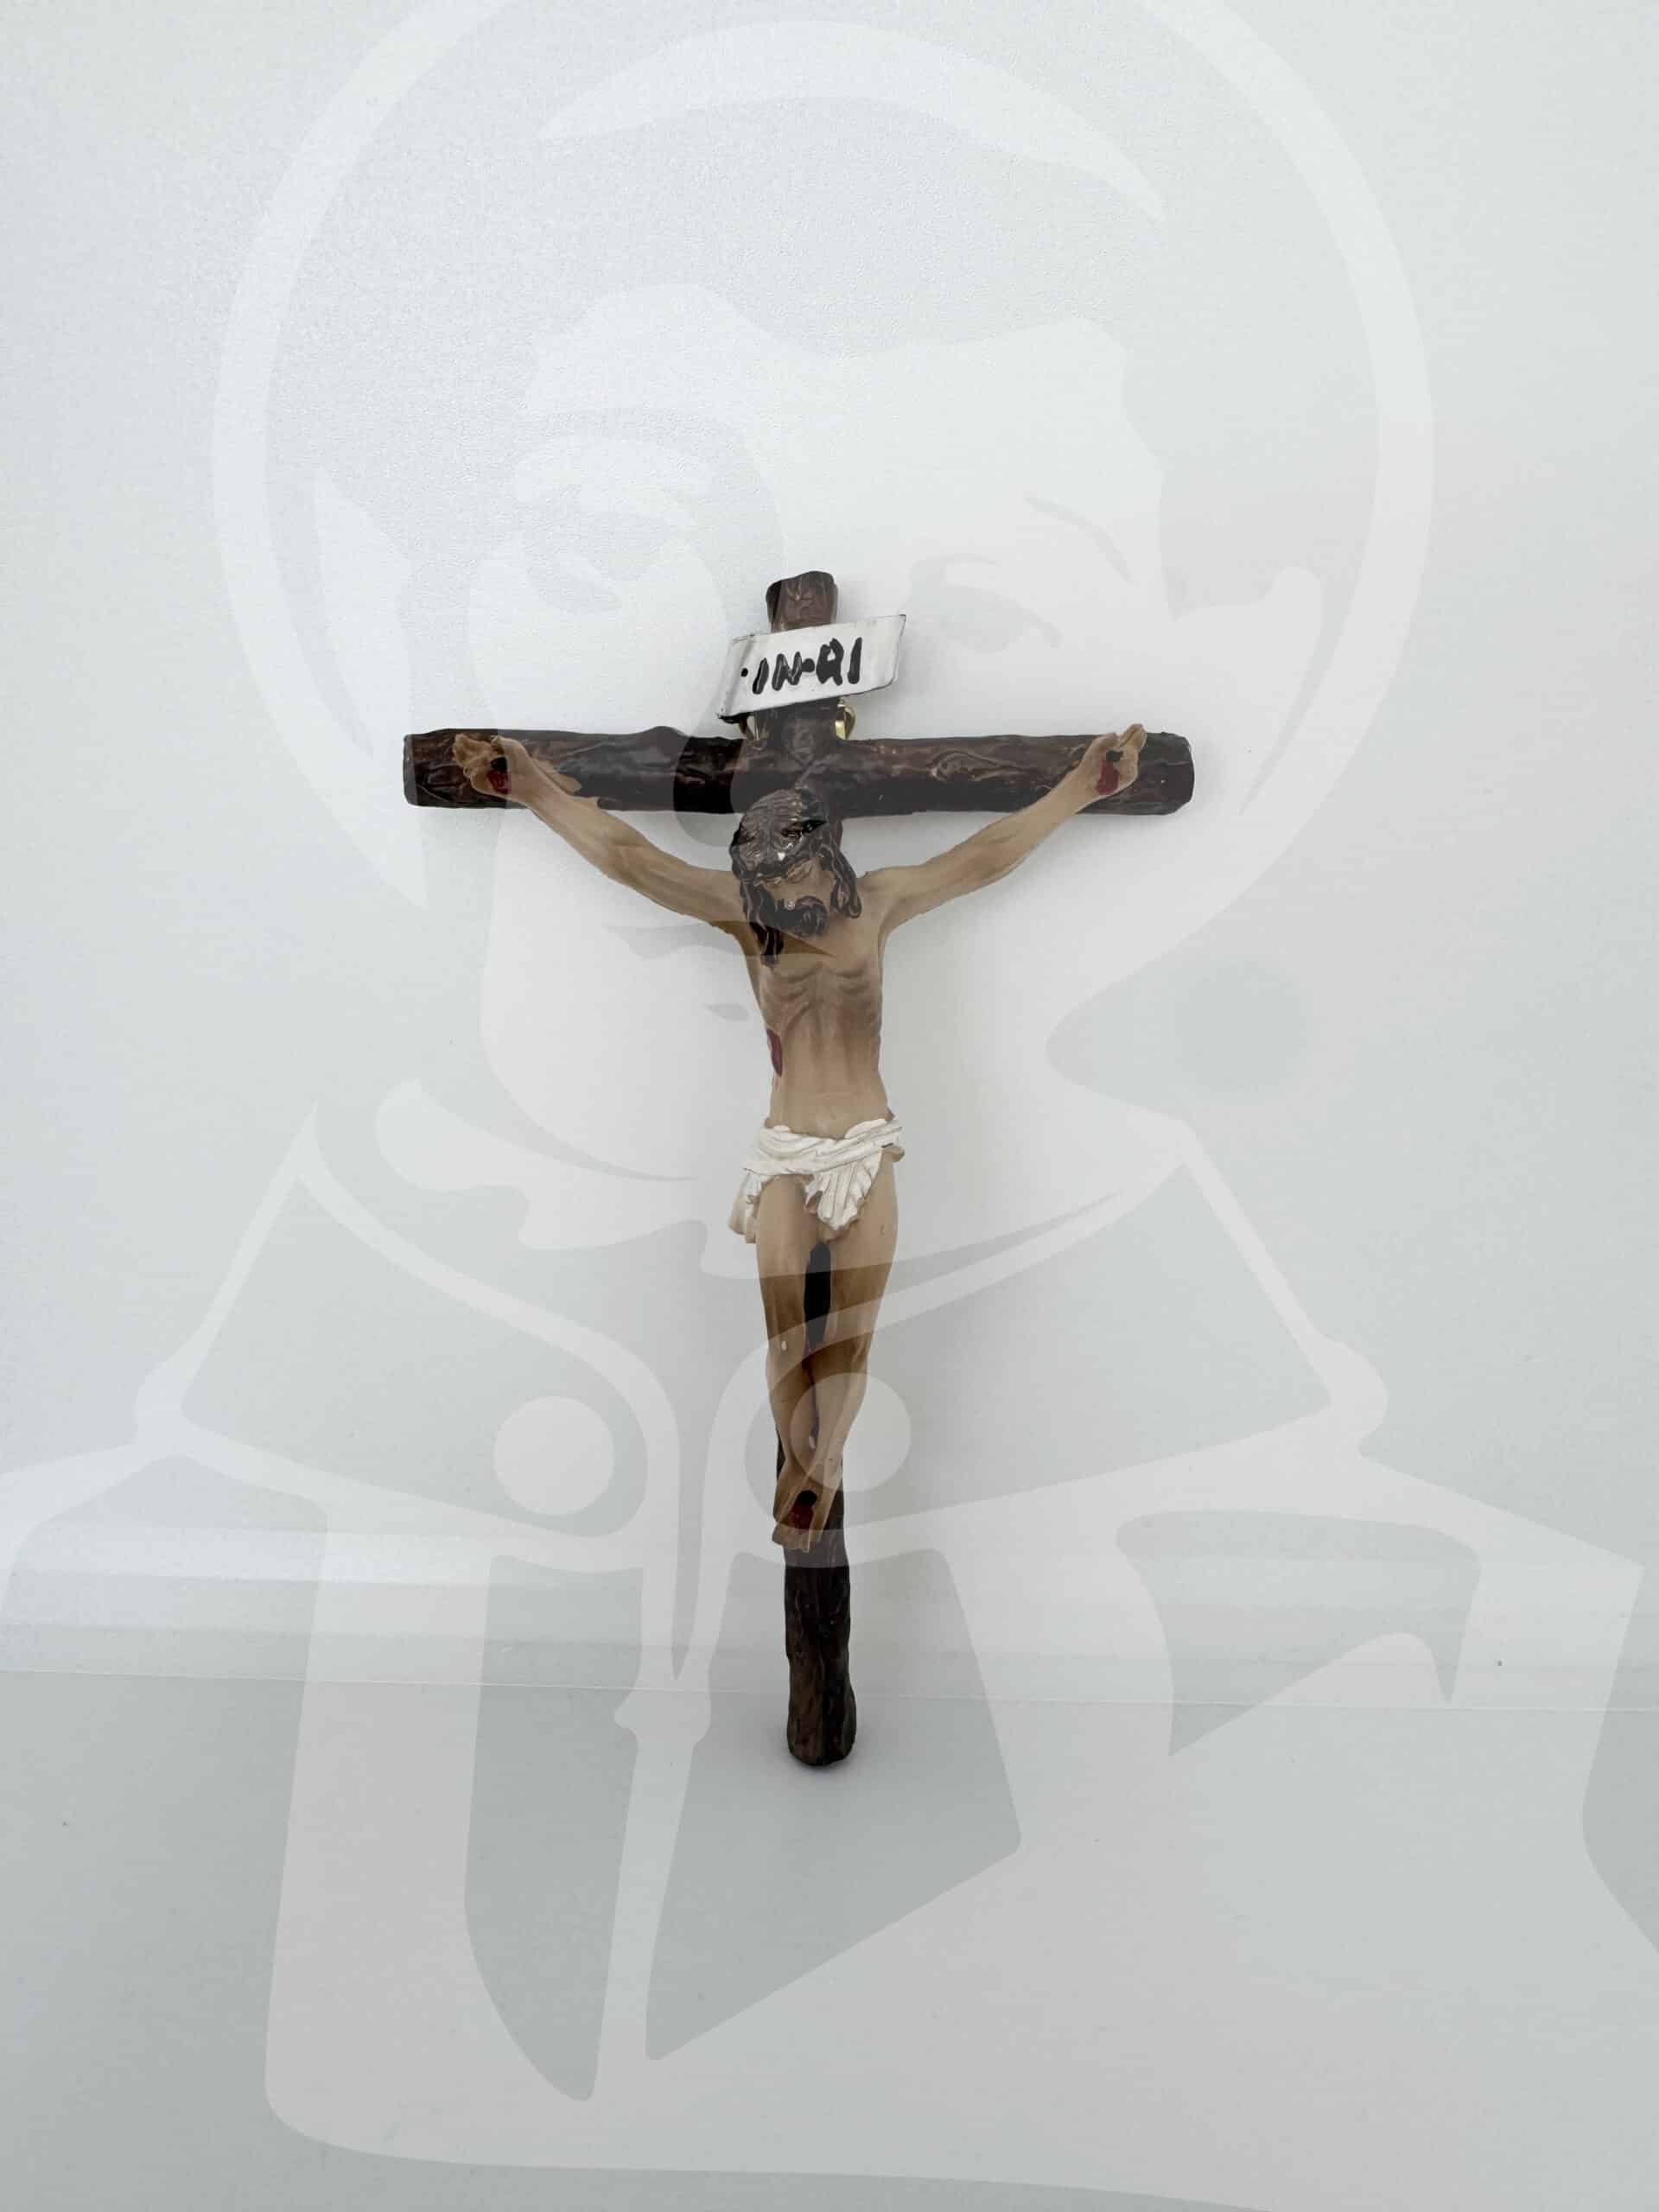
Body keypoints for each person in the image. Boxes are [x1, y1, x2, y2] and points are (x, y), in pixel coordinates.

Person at [453, 721, 1147, 1545]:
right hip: (785, 1153)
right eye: (770, 880)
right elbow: (630, 857)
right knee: (785, 1335)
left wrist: (1081, 788)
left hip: (864, 1148)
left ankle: (821, 1470)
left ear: (825, 854)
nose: (785, 891)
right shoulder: (745, 917)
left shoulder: (880, 903)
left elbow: (983, 856)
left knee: (850, 1335)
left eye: (794, 871)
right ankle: (803, 1469)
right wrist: (534, 789)